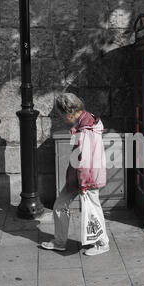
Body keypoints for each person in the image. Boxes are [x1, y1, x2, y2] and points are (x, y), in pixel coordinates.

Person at [40, 93, 109, 256]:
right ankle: (59, 242)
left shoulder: (86, 130)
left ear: (69, 112)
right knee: (60, 205)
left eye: (62, 115)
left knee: (92, 209)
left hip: (87, 176)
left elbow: (85, 161)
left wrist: (84, 183)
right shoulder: (85, 121)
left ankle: (102, 243)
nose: (63, 119)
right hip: (76, 175)